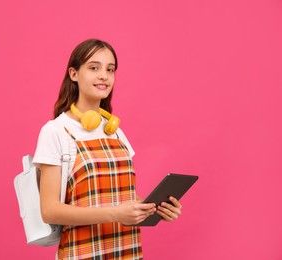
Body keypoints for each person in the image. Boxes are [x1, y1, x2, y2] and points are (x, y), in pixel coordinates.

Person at [32, 39, 182, 259]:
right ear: (74, 74)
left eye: (110, 70)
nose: (104, 75)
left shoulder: (115, 130)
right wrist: (116, 214)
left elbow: (119, 196)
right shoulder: (56, 131)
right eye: (94, 68)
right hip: (82, 252)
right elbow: (50, 210)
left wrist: (154, 208)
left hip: (126, 251)